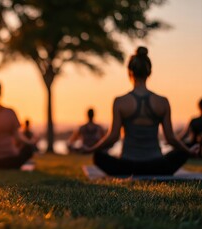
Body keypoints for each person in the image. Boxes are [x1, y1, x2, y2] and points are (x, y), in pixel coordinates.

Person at [84, 47, 200, 175]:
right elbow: (171, 138)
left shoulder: (120, 102)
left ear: (130, 72)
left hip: (127, 166)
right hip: (158, 165)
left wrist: (91, 149)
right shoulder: (162, 102)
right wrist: (188, 152)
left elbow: (113, 137)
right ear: (149, 72)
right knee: (182, 151)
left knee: (98, 156)